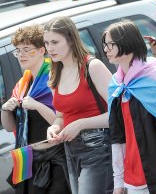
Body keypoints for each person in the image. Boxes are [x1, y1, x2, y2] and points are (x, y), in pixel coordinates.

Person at [103, 20, 156, 194]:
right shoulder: (116, 86)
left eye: (110, 44)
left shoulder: (153, 79)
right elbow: (117, 138)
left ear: (128, 43)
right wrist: (119, 182)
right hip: (133, 181)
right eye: (105, 45)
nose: (106, 49)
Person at [44, 16, 113, 194]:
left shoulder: (92, 66)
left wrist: (80, 124)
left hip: (98, 147)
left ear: (70, 38)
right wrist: (54, 127)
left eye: (54, 42)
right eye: (46, 43)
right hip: (70, 150)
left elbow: (118, 113)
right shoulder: (54, 72)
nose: (49, 48)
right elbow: (61, 116)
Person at [0, 24, 70, 194]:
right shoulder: (22, 85)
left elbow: (62, 121)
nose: (21, 55)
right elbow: (10, 128)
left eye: (26, 49)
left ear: (41, 50)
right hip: (29, 160)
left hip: (55, 160)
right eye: (18, 50)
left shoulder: (53, 78)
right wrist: (5, 110)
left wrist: (37, 105)